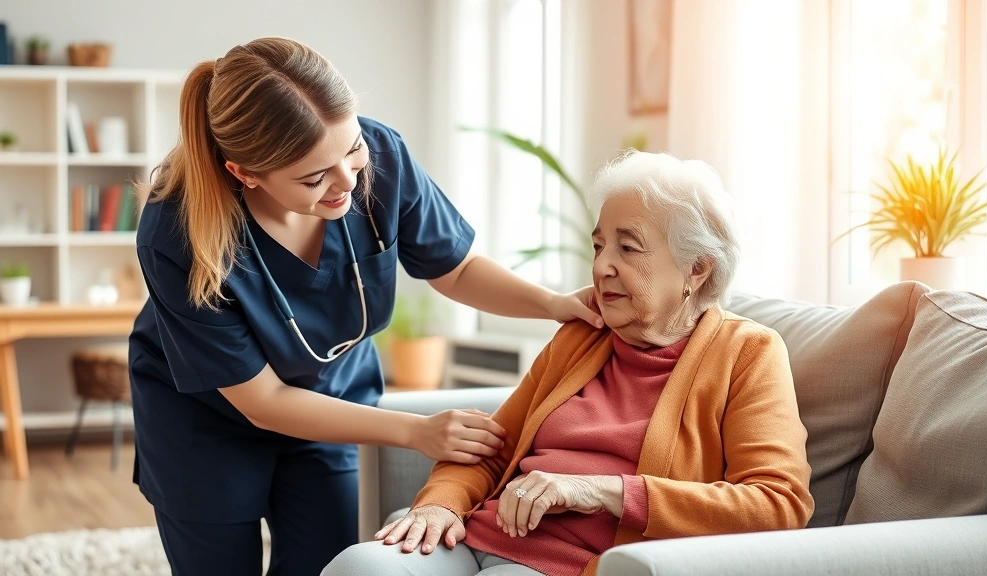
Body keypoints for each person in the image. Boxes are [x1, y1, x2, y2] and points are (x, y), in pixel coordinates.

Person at [127, 36, 604, 576]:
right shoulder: (177, 230)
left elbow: (458, 268)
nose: (349, 186)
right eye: (314, 178)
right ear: (246, 173)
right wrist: (414, 430)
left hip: (335, 401)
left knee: (324, 563)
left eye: (353, 152)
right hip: (206, 420)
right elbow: (262, 400)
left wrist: (553, 303)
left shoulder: (379, 152)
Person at [323, 151, 814, 576]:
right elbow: (495, 447)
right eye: (599, 246)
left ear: (696, 268)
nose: (602, 266)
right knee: (357, 566)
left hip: (573, 564)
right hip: (476, 538)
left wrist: (604, 491)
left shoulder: (748, 352)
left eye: (628, 247)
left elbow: (778, 504)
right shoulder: (583, 335)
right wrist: (439, 504)